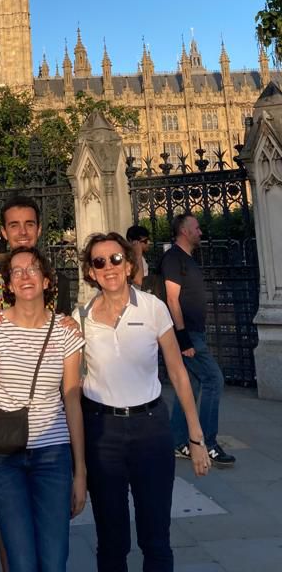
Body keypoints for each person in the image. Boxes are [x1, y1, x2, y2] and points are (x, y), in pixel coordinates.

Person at [76, 231, 210, 572]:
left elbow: (178, 373)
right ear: (91, 272)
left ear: (128, 264)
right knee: (111, 539)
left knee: (156, 536)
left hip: (150, 429)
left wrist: (195, 436)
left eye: (116, 259)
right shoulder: (80, 319)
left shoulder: (153, 308)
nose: (109, 267)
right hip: (102, 432)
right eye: (99, 262)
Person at [0, 246, 86, 572]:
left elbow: (72, 399)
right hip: (3, 455)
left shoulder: (66, 330)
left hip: (52, 453)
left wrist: (80, 471)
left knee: (54, 560)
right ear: (8, 284)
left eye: (33, 269)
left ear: (47, 280)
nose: (25, 276)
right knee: (21, 560)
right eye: (17, 271)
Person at [162, 213, 236, 467]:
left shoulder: (188, 259)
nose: (200, 232)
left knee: (191, 385)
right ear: (184, 231)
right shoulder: (173, 258)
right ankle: (208, 443)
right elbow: (172, 299)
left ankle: (177, 440)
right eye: (197, 228)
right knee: (214, 379)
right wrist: (183, 339)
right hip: (188, 335)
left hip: (194, 332)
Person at [0, 195, 72, 317]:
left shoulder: (57, 283)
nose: (23, 232)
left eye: (29, 224)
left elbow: (64, 325)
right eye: (14, 225)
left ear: (39, 229)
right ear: (4, 232)